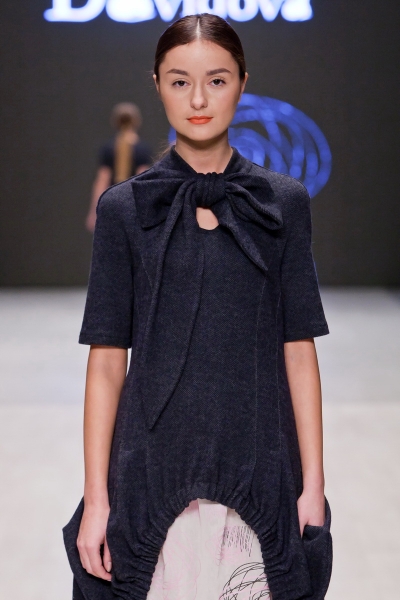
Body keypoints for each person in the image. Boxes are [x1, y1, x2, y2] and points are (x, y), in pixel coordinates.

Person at [64, 13, 333, 600]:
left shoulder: (281, 204)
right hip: (150, 474)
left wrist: (313, 484)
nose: (198, 100)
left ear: (242, 82)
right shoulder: (124, 210)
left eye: (216, 80)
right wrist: (96, 498)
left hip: (261, 471)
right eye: (180, 81)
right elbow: (106, 361)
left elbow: (299, 349)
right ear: (158, 85)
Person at [85, 102, 152, 232]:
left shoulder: (108, 149)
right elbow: (143, 181)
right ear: (137, 121)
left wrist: (94, 211)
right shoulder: (142, 149)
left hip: (112, 203)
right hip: (133, 205)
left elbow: (102, 181)